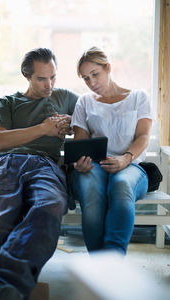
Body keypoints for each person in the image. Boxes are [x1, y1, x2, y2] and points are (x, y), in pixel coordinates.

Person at [0, 48, 78, 300]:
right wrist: (44, 128)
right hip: (5, 163)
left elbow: (95, 114)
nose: (49, 85)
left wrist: (74, 120)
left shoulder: (65, 97)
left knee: (49, 206)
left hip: (45, 165)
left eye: (53, 77)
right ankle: (6, 289)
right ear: (27, 76)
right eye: (42, 79)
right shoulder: (7, 102)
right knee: (0, 217)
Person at [70, 46, 152, 256]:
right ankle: (100, 264)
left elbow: (143, 136)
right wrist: (80, 162)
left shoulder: (138, 97)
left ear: (107, 68)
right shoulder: (85, 101)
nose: (91, 82)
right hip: (95, 166)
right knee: (89, 189)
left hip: (131, 166)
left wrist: (126, 159)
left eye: (95, 74)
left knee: (122, 185)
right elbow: (81, 142)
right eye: (86, 78)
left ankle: (113, 261)